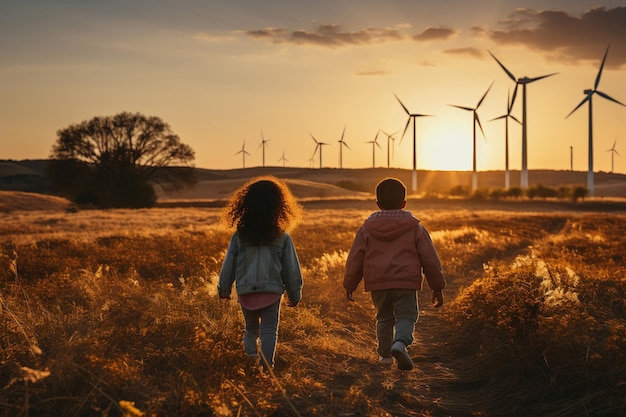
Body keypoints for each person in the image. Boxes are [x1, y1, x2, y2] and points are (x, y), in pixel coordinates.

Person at [343, 178, 445, 371]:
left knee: (384, 318)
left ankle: (384, 357)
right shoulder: (415, 227)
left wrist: (350, 284)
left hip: (378, 282)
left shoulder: (367, 228)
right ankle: (400, 344)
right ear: (404, 203)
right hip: (406, 282)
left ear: (378, 204)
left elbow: (356, 257)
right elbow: (430, 258)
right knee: (406, 316)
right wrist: (437, 286)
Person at [218, 176, 303, 369]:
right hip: (272, 291)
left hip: (246, 290)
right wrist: (294, 294)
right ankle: (266, 367)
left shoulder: (239, 236)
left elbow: (228, 265)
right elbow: (291, 269)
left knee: (251, 329)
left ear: (245, 205)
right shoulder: (282, 237)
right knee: (269, 330)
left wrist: (224, 290)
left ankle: (250, 363)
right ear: (279, 206)